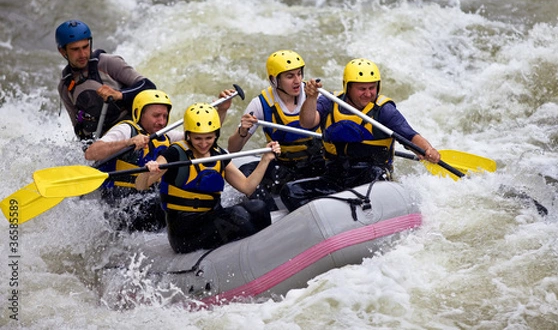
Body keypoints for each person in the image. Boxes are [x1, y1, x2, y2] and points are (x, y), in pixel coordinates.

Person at [280, 58, 441, 211]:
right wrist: (311, 98)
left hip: (371, 177)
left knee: (376, 176)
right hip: (335, 176)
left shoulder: (383, 110)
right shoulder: (330, 102)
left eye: (372, 88)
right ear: (348, 87)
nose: (368, 93)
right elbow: (307, 122)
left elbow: (410, 136)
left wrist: (427, 149)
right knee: (290, 191)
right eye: (362, 89)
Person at [135, 103, 281, 254]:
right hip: (185, 231)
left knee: (259, 207)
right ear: (188, 135)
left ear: (216, 134)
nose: (204, 144)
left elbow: (247, 187)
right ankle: (256, 253)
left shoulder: (219, 154)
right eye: (198, 138)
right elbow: (140, 185)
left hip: (211, 218)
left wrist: (266, 159)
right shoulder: (175, 154)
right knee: (239, 215)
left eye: (209, 138)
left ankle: (268, 251)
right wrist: (148, 171)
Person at [227, 50, 325, 209]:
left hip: (315, 163)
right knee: (246, 171)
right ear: (274, 80)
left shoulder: (315, 96)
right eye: (289, 76)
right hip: (284, 166)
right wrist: (242, 131)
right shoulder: (260, 104)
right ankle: (270, 212)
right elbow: (233, 149)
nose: (297, 81)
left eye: (299, 74)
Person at [84, 89, 180, 232]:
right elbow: (91, 153)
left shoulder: (166, 135)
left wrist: (221, 111)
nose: (162, 121)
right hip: (119, 201)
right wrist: (128, 142)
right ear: (139, 114)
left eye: (165, 116)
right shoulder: (126, 130)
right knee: (161, 205)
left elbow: (201, 140)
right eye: (156, 116)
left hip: (148, 196)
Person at [55, 19, 156, 141]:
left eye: (85, 47)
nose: (82, 54)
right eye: (75, 49)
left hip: (134, 131)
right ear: (62, 51)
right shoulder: (65, 86)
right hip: (106, 143)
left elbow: (148, 86)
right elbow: (79, 130)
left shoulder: (108, 63)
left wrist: (119, 95)